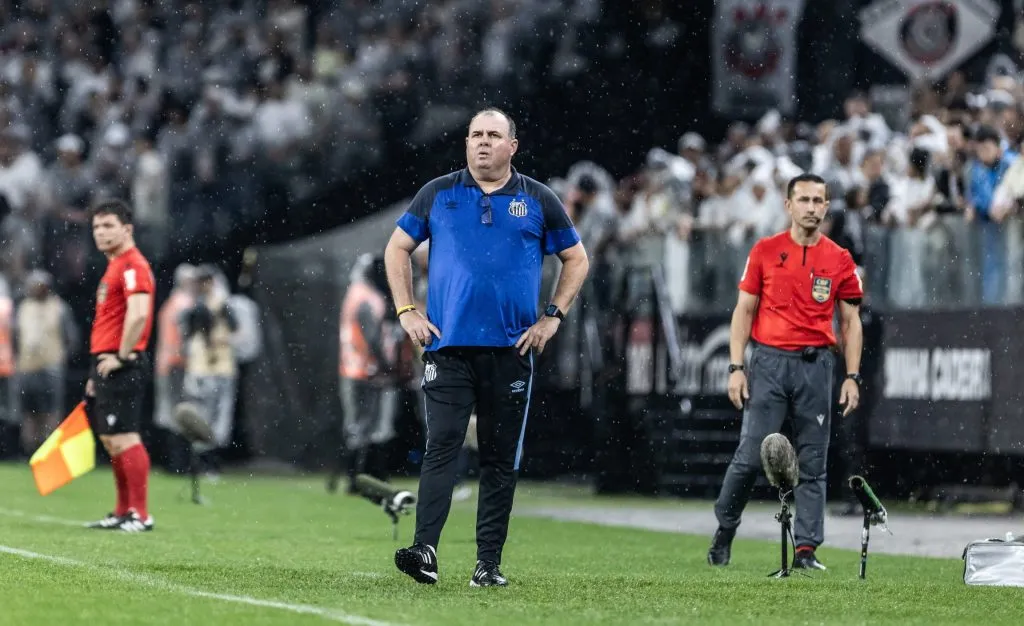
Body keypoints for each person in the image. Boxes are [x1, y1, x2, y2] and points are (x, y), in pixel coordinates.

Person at [385, 107, 589, 587]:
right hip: (448, 349)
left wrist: (551, 318)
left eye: (493, 135)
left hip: (510, 352)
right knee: (443, 447)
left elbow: (576, 259)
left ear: (512, 146)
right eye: (475, 134)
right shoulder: (438, 193)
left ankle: (487, 565)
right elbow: (396, 248)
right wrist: (406, 310)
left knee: (500, 458)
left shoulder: (538, 198)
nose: (482, 142)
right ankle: (425, 550)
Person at [707, 173, 864, 571]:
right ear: (788, 205)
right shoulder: (764, 251)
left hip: (817, 365)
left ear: (827, 207)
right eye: (804, 200)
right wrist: (736, 367)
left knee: (813, 462)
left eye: (818, 201)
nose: (811, 207)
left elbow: (851, 322)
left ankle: (807, 549)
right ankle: (725, 530)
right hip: (770, 363)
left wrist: (852, 375)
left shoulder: (839, 258)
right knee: (749, 456)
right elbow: (743, 311)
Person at [83, 199, 157, 532]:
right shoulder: (116, 265)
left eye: (108, 225)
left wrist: (123, 356)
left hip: (122, 361)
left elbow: (139, 314)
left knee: (126, 436)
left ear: (127, 229)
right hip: (106, 361)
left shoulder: (132, 265)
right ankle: (122, 510)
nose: (100, 233)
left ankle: (140, 515)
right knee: (112, 439)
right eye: (97, 227)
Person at [330, 253, 410, 494]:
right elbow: (373, 337)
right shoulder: (368, 298)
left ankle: (359, 476)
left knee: (360, 426)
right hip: (366, 369)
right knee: (370, 425)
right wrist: (387, 363)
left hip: (353, 367)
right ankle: (362, 477)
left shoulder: (355, 294)